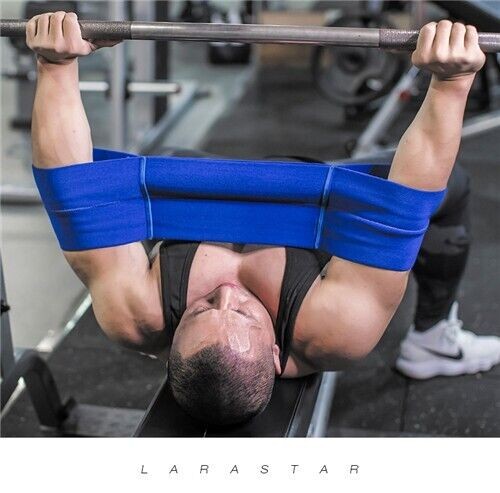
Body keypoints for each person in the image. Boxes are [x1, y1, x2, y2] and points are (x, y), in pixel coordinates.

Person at [27, 12, 500, 426]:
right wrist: (451, 82)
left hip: (196, 183)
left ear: (168, 349)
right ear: (277, 354)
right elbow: (403, 204)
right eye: (243, 314)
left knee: (158, 163)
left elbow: (71, 190)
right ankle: (432, 339)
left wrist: (56, 65)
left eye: (202, 308)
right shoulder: (337, 327)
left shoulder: (136, 312)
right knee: (452, 186)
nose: (227, 294)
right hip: (311, 191)